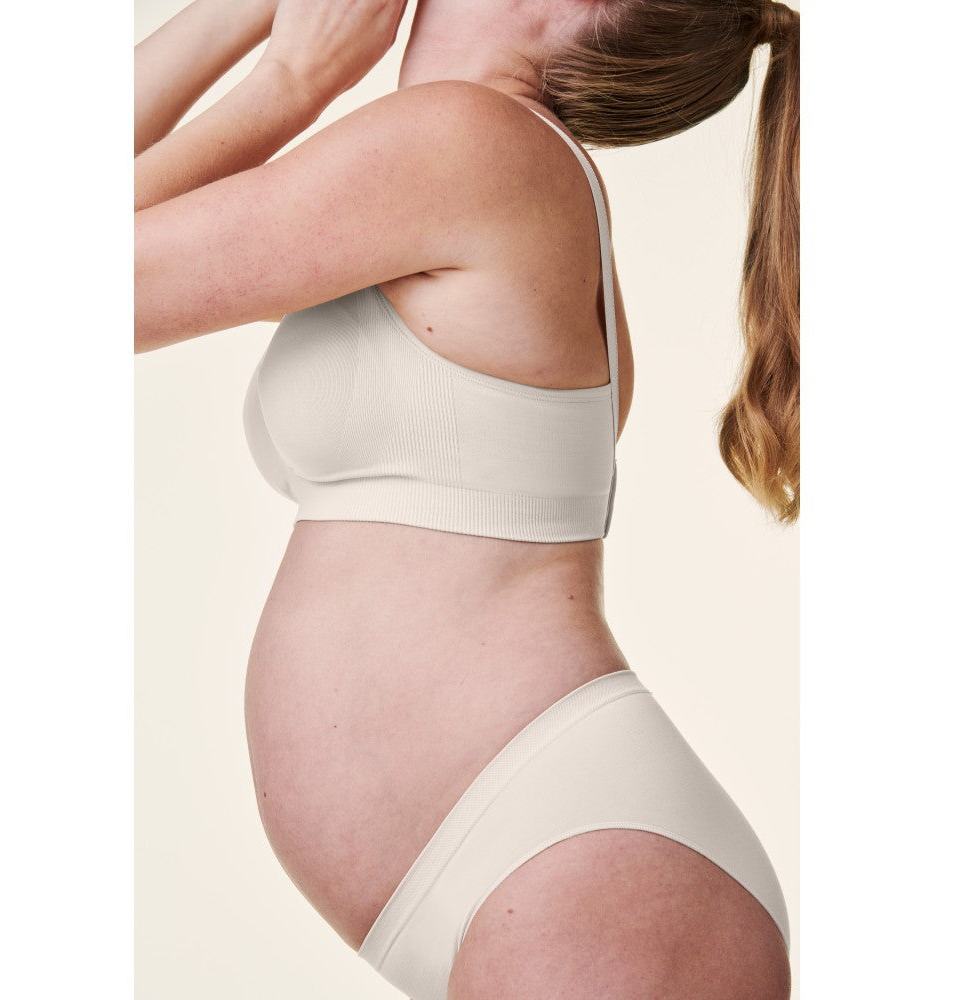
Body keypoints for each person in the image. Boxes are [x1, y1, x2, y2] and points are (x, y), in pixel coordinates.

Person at [135, 0, 799, 996]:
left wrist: (290, 81)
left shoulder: (469, 144)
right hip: (557, 864)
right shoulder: (495, 161)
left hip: (587, 881)